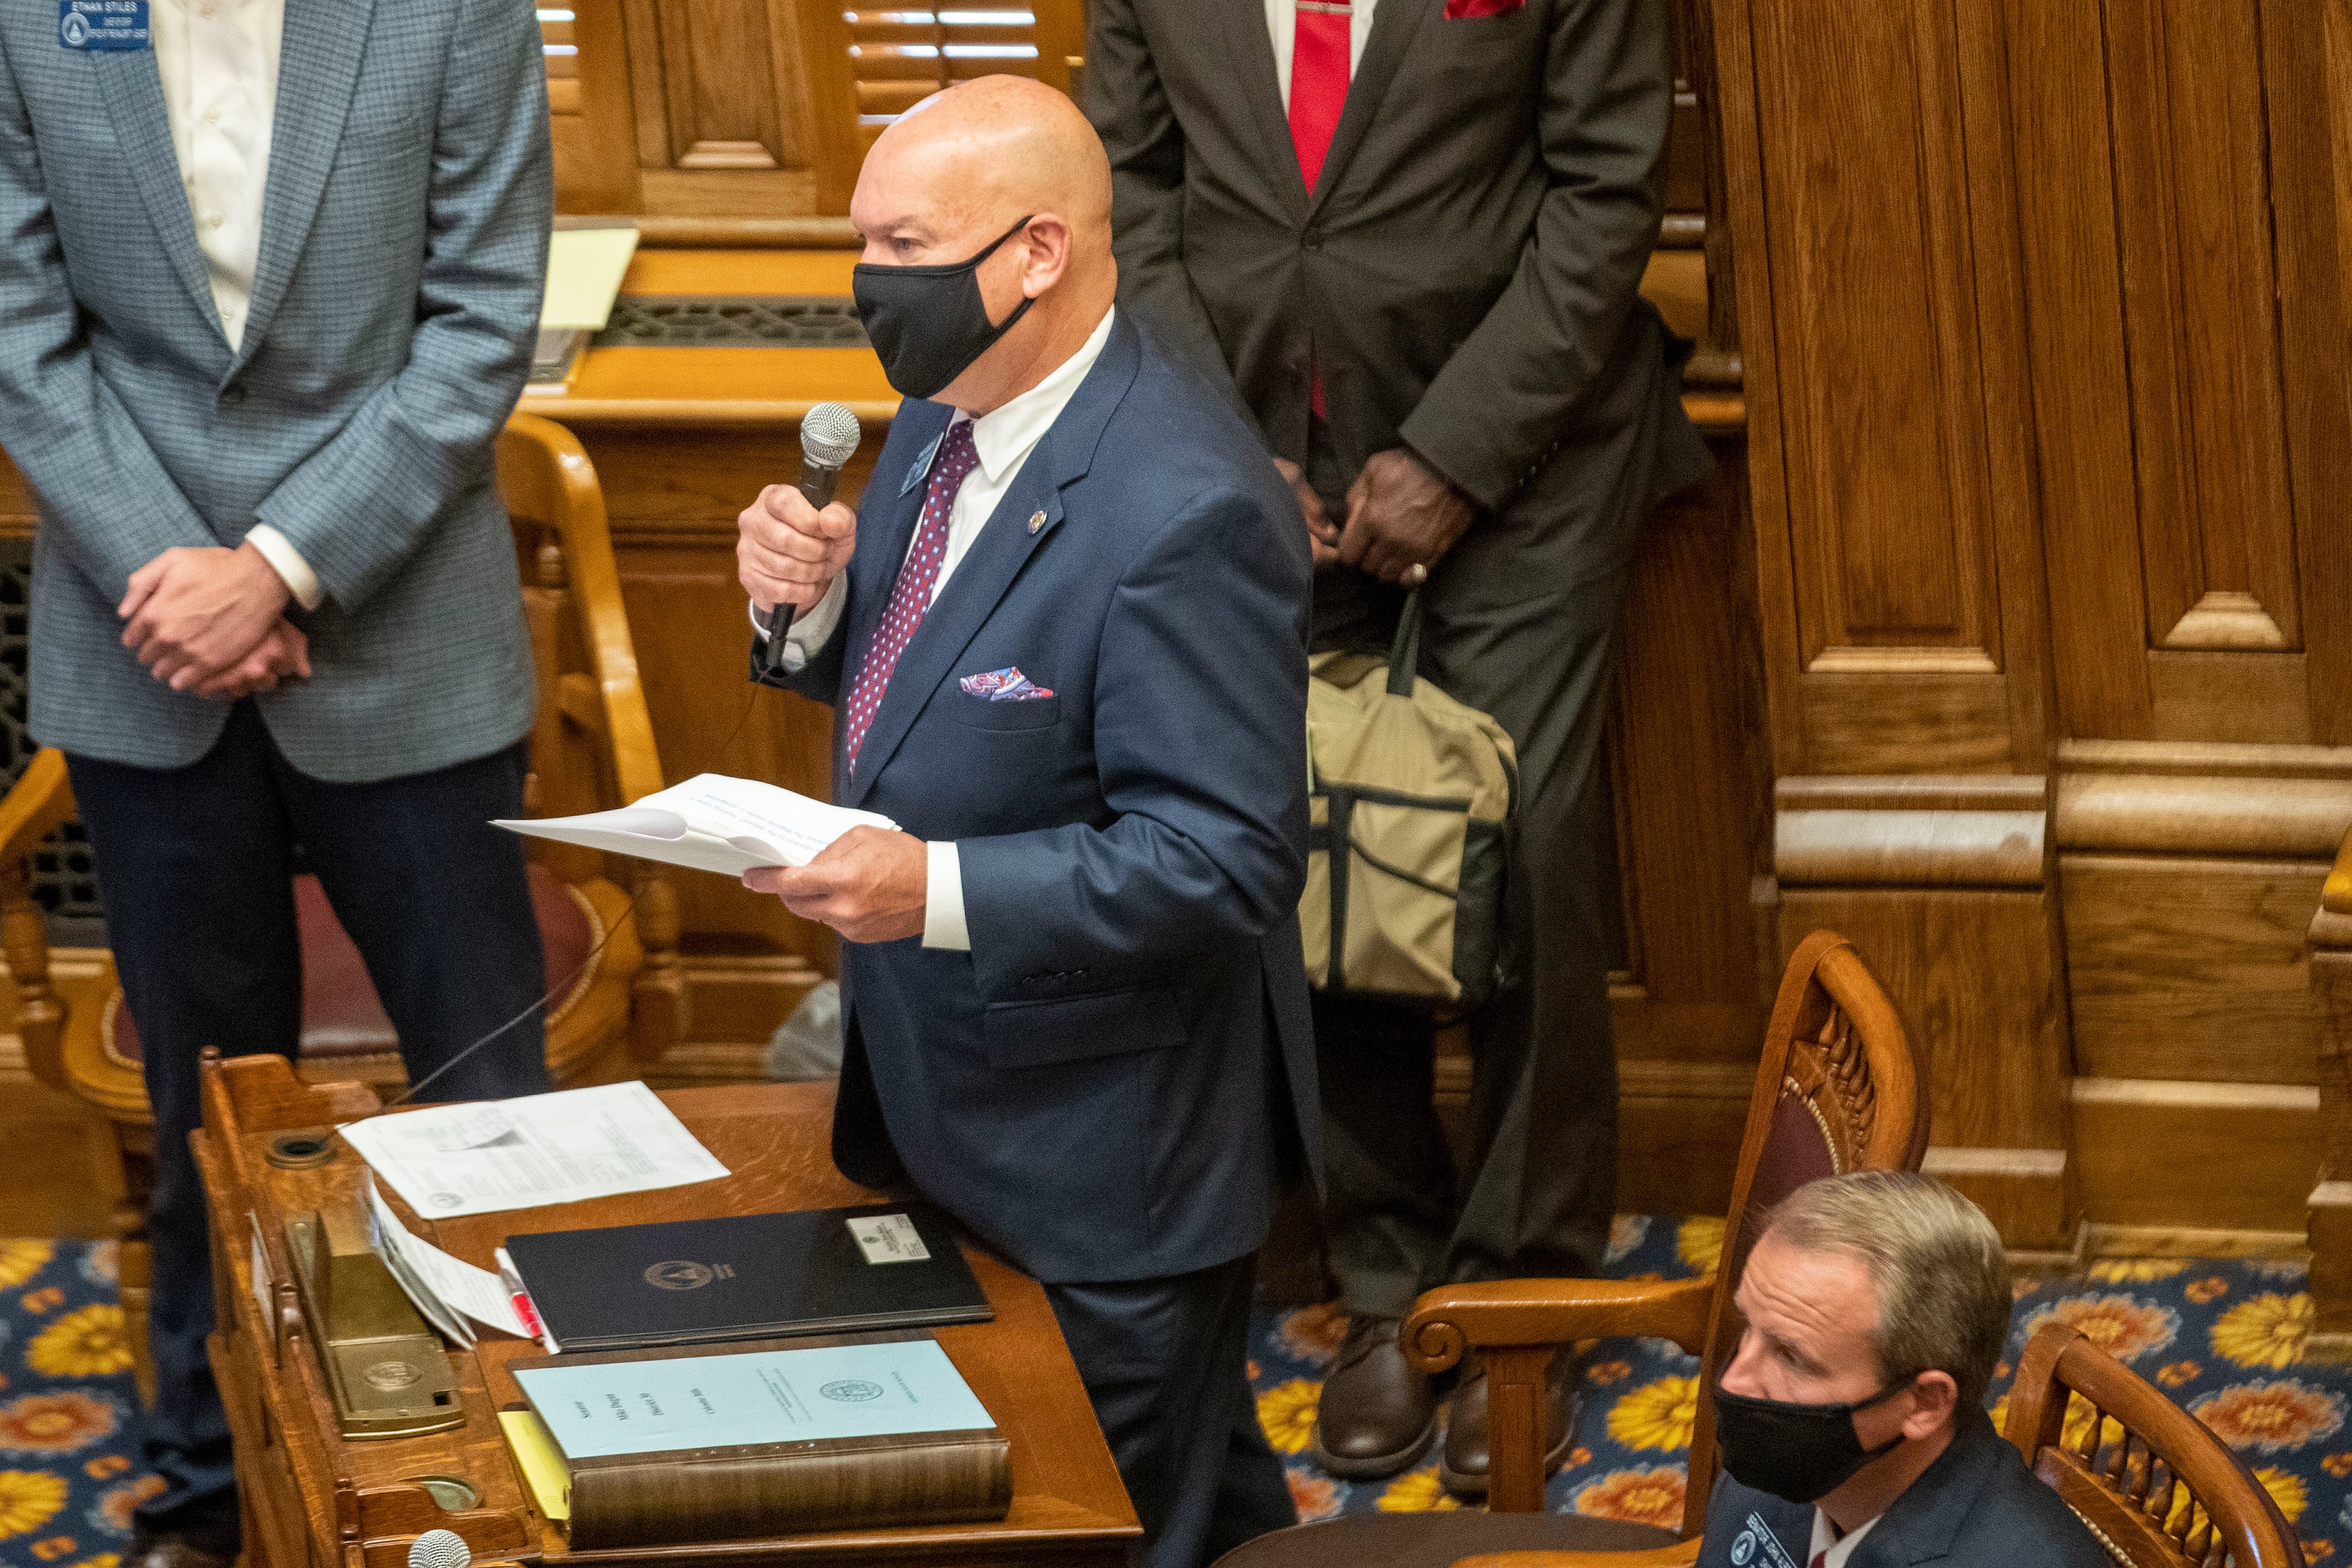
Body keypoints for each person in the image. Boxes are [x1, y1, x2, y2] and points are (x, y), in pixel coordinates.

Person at [1082, 0, 1715, 1496]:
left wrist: (1454, 456)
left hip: (1524, 456)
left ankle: (1518, 1292)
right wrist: (1230, 451)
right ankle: (1384, 1277)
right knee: (1318, 845)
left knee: (1523, 852)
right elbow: (1133, 191)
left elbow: (1600, 191)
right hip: (1259, 463)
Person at [733, 75, 1317, 1568]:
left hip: (1099, 1162)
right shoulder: (946, 412)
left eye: (904, 246)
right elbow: (954, 686)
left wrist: (928, 884)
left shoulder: (1183, 506)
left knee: (1101, 1527)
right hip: (948, 1105)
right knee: (1170, 1488)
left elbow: (1221, 855)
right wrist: (809, 612)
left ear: (1036, 253)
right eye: (859, 243)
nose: (870, 286)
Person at [0, 3, 557, 1562]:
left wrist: (284, 568)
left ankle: (521, 1474)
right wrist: (180, 580)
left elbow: (480, 319)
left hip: (404, 638)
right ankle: (207, 1493)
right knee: (205, 1130)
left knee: (491, 1120)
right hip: (142, 642)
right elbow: (20, 333)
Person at [1700, 1173, 2109, 1567]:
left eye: (1790, 1357)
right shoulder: (1772, 1468)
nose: (1735, 1381)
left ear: (1924, 1404)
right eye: (1747, 1326)